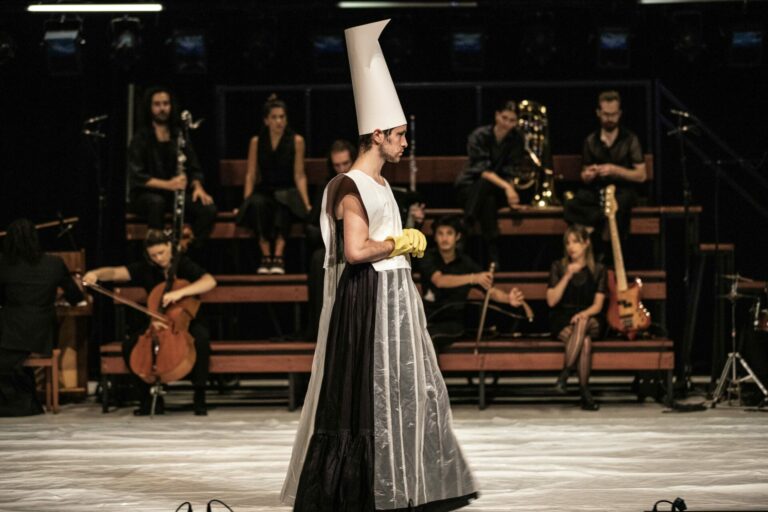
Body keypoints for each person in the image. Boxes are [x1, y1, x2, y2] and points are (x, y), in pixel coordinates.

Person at [282, 20, 477, 512]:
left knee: (403, 388)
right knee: (366, 394)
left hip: (392, 296)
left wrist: (400, 245)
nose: (405, 143)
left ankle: (407, 481)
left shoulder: (384, 185)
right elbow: (355, 250)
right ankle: (360, 487)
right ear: (378, 135)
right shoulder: (350, 185)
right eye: (400, 135)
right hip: (366, 298)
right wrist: (399, 241)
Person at [83, 230, 216, 416]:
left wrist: (180, 293)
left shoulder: (183, 264)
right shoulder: (146, 268)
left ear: (170, 246)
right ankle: (148, 399)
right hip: (158, 322)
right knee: (129, 346)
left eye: (161, 253)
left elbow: (209, 281)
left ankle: (199, 396)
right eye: (153, 255)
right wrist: (95, 274)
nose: (158, 259)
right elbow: (115, 272)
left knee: (200, 340)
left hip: (187, 321)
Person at [0, 218, 84, 416]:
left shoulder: (3, 263)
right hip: (42, 333)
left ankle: (16, 402)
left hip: (10, 331)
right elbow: (75, 296)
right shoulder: (54, 263)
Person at [127, 86, 217, 248]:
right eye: (157, 104)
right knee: (157, 202)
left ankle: (185, 249)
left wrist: (198, 187)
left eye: (166, 104)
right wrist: (169, 185)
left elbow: (194, 167)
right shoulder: (141, 138)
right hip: (146, 195)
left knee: (208, 209)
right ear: (149, 107)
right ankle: (157, 251)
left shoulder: (179, 134)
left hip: (174, 195)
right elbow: (137, 177)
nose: (162, 108)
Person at [564, 90, 647, 259]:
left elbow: (641, 175)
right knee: (573, 204)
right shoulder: (591, 140)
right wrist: (588, 174)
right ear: (598, 113)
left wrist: (615, 170)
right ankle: (591, 247)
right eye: (606, 114)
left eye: (613, 114)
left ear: (619, 113)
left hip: (622, 189)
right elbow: (584, 174)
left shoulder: (629, 139)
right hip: (597, 189)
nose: (610, 118)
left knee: (616, 207)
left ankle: (605, 252)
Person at [421, 215, 525, 349]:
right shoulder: (428, 257)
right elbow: (439, 281)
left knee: (429, 339)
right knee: (417, 337)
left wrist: (508, 298)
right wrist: (473, 278)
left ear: (457, 236)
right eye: (440, 233)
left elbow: (490, 290)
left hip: (452, 322)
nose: (444, 238)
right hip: (427, 317)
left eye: (449, 233)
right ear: (435, 237)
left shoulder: (466, 263)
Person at [238, 94, 311, 275]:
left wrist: (306, 203)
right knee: (257, 204)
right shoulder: (256, 142)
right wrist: (245, 201)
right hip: (265, 189)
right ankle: (265, 254)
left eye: (282, 117)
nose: (279, 121)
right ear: (266, 120)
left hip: (287, 190)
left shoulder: (296, 141)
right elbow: (251, 174)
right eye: (274, 117)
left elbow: (299, 175)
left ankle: (278, 255)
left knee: (283, 204)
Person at [454, 100, 527, 268]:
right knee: (486, 193)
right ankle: (493, 253)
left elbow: (513, 170)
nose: (507, 123)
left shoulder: (517, 139)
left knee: (488, 195)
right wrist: (508, 188)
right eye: (504, 118)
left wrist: (509, 189)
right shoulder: (479, 135)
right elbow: (483, 171)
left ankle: (465, 228)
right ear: (496, 115)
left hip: (494, 191)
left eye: (512, 120)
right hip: (469, 189)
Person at [546, 224, 607, 411]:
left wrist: (583, 314)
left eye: (575, 242)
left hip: (590, 316)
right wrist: (567, 276)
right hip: (563, 317)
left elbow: (598, 305)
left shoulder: (598, 269)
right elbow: (551, 301)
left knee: (583, 322)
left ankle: (565, 374)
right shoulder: (558, 266)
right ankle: (584, 393)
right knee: (585, 342)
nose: (571, 247)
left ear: (586, 243)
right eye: (568, 243)